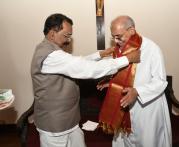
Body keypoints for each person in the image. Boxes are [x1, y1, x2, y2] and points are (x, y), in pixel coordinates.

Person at [31, 13, 140, 147]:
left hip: (69, 120)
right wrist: (127, 59)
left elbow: (74, 63)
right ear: (53, 33)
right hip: (55, 125)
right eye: (66, 36)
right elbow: (86, 69)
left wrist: (100, 54)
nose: (68, 41)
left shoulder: (53, 51)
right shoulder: (50, 55)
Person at [97, 15, 172, 147]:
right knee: (124, 141)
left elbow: (160, 81)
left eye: (119, 36)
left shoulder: (151, 49)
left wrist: (137, 91)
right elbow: (123, 74)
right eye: (113, 36)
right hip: (124, 106)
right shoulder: (119, 49)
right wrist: (111, 82)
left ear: (131, 31)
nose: (116, 40)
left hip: (147, 109)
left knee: (148, 141)